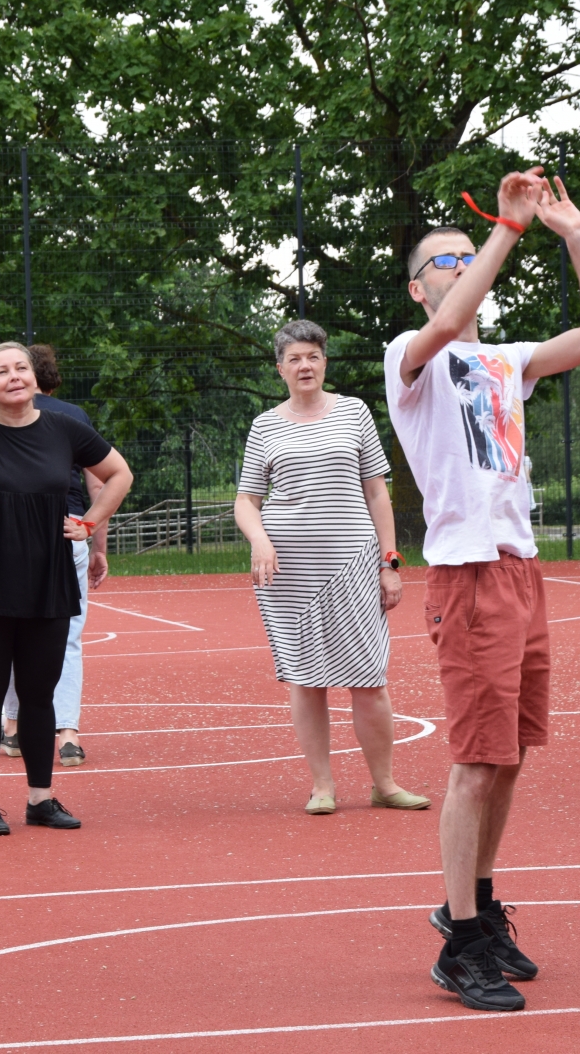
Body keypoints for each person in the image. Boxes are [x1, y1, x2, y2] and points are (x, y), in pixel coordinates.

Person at [385, 170, 580, 1011]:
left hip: (520, 566)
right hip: (469, 573)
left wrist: (574, 234)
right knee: (476, 762)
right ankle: (459, 943)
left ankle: (479, 908)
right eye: (443, 260)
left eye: (466, 255)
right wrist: (506, 229)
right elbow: (452, 320)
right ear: (418, 288)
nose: (460, 266)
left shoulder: (505, 362)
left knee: (510, 756)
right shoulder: (411, 357)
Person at [0, 342, 132, 835]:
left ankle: (41, 798)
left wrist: (89, 523)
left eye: (21, 368)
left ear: (36, 379)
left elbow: (119, 473)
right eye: (0, 371)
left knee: (40, 693)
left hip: (48, 578)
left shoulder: (64, 429)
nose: (14, 376)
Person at [234, 319, 428, 815]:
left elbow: (377, 493)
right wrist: (259, 541)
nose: (305, 366)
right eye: (295, 358)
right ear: (280, 368)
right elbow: (247, 500)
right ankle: (322, 786)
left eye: (313, 356)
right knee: (306, 680)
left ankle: (384, 784)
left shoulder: (354, 412)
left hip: (354, 565)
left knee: (369, 677)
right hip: (288, 573)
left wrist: (390, 562)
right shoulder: (264, 426)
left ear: (325, 362)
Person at [0, 344, 109, 768]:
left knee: (10, 633)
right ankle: (68, 735)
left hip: (14, 534)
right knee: (69, 637)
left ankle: (13, 728)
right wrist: (96, 541)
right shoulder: (73, 416)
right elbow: (99, 483)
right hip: (69, 527)